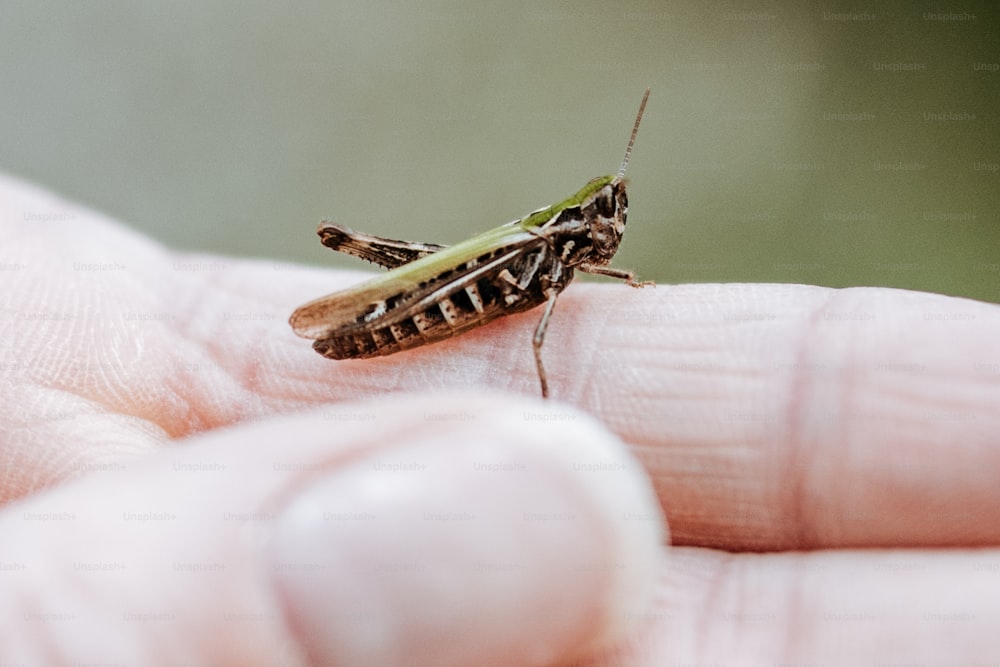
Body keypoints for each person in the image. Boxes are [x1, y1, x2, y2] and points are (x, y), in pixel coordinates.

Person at [2, 172, 998, 665]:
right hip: (436, 300)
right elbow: (530, 296)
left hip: (476, 288)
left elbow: (564, 277)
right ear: (584, 222)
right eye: (602, 217)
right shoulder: (546, 251)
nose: (608, 227)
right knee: (428, 279)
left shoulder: (569, 253)